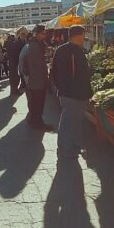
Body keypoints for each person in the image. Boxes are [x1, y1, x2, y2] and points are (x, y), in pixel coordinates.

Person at [51, 25, 93, 158]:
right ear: (79, 35)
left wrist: (60, 88)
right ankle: (64, 148)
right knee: (69, 122)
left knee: (74, 121)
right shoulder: (75, 51)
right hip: (74, 93)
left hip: (67, 92)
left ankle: (73, 145)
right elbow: (82, 73)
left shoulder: (61, 49)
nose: (84, 38)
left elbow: (53, 72)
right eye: (83, 35)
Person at [23, 25, 54, 131]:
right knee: (38, 103)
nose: (45, 36)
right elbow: (38, 65)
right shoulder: (35, 46)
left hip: (36, 79)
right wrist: (46, 78)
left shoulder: (36, 44)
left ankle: (33, 120)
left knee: (36, 103)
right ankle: (38, 123)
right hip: (37, 80)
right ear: (38, 34)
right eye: (43, 33)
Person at [7, 30, 27, 96]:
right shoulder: (17, 42)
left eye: (24, 35)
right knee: (15, 76)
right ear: (19, 35)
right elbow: (15, 53)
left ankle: (14, 90)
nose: (24, 36)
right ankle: (14, 91)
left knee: (15, 76)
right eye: (22, 35)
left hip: (15, 61)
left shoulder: (22, 42)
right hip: (15, 61)